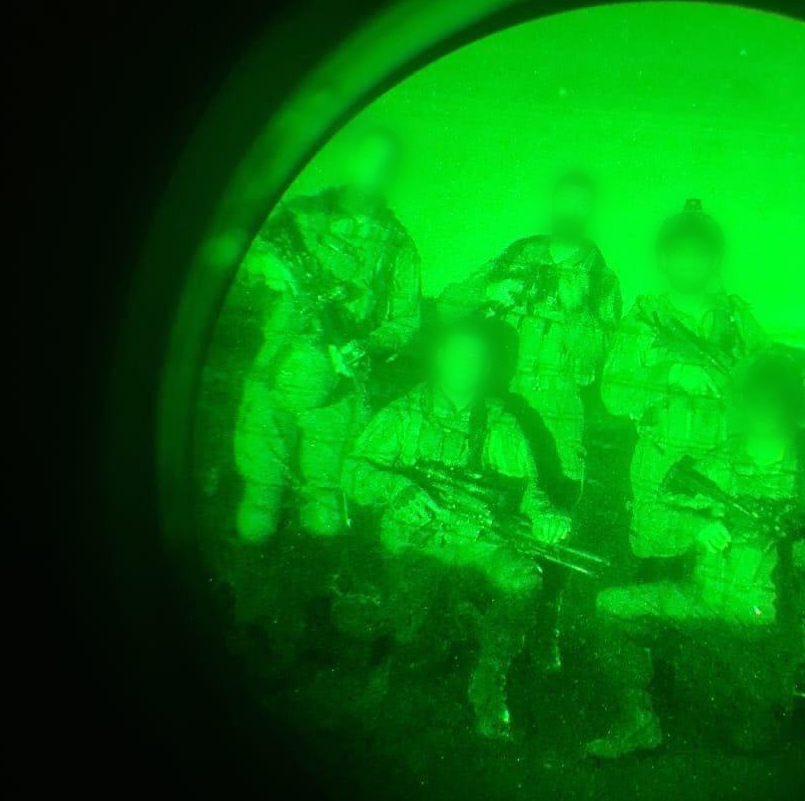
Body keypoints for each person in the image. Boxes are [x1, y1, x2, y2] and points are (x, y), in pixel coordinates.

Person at [588, 351, 805, 759]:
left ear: (790, 405)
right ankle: (638, 721)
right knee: (612, 607)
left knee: (754, 733)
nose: (764, 410)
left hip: (764, 620)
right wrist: (698, 527)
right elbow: (658, 511)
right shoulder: (721, 460)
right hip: (701, 599)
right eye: (757, 399)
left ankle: (773, 694)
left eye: (775, 400)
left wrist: (799, 550)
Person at [343, 318, 571, 740]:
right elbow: (354, 470)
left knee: (523, 580)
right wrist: (395, 487)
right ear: (439, 358)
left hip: (477, 540)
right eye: (456, 354)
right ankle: (383, 672)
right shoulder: (405, 413)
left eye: (475, 358)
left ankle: (488, 686)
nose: (464, 364)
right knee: (407, 627)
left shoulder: (500, 421)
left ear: (486, 366)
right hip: (414, 540)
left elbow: (529, 489)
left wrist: (546, 516)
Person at [439, 170, 621, 668]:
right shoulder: (516, 255)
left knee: (553, 526)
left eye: (580, 204)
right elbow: (450, 308)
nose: (570, 213)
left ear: (590, 212)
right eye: (563, 201)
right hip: (497, 407)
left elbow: (594, 367)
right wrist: (491, 289)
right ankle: (471, 620)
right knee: (481, 507)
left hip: (557, 422)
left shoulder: (602, 281)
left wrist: (575, 312)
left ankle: (545, 630)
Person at [232, 128, 421, 544]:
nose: (376, 171)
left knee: (327, 516)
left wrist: (367, 347)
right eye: (369, 159)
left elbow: (406, 321)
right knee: (258, 511)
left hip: (340, 383)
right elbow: (231, 261)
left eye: (386, 165)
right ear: (351, 161)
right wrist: (262, 264)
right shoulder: (296, 218)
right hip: (277, 369)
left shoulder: (398, 245)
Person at [601, 198, 766, 560]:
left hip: (727, 469)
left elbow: (770, 384)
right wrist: (671, 374)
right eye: (680, 253)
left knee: (724, 566)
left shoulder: (737, 320)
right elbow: (613, 393)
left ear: (715, 259)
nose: (690, 262)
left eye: (700, 253)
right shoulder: (645, 320)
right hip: (662, 470)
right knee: (660, 560)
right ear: (663, 259)